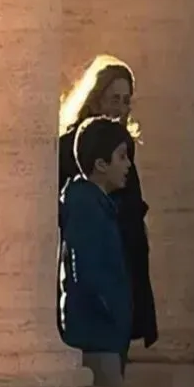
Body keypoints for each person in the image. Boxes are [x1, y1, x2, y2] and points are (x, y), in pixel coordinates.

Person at [58, 54, 158, 353]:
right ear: (96, 99)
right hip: (96, 290)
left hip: (122, 266)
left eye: (126, 101)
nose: (120, 108)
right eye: (114, 99)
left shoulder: (122, 147)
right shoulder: (70, 150)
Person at [58, 116, 134, 387]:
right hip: (97, 335)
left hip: (103, 334)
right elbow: (87, 270)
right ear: (101, 164)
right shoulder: (87, 207)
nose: (128, 165)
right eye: (122, 157)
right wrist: (113, 311)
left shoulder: (97, 205)